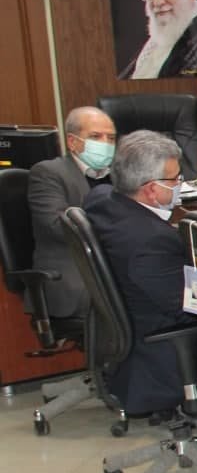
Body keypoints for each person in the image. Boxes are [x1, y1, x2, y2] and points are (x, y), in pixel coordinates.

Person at [83, 130, 197, 413]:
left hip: (131, 333)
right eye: (175, 179)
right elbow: (195, 308)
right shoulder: (151, 243)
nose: (180, 185)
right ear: (151, 190)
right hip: (162, 358)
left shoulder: (101, 200)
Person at [28, 106, 117, 319]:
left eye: (111, 138)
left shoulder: (119, 173)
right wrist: (117, 228)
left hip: (116, 266)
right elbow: (57, 227)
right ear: (72, 141)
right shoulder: (48, 172)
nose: (105, 143)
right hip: (75, 274)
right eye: (96, 136)